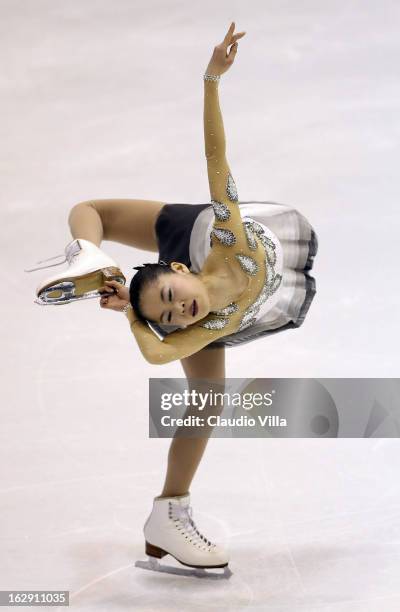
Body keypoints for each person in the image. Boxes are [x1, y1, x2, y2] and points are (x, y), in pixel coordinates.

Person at [25, 22, 317, 578]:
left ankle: (103, 265)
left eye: (168, 301)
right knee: (209, 398)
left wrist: (212, 78)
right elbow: (159, 353)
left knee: (107, 216)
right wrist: (138, 314)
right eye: (167, 316)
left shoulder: (226, 232)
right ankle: (169, 512)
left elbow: (216, 152)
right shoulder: (205, 324)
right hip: (185, 287)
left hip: (194, 239)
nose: (176, 314)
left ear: (177, 273)